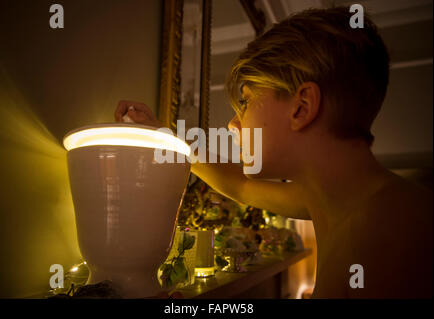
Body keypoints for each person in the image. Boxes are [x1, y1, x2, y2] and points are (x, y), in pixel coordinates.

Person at [114, 7, 432, 298]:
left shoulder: (392, 231)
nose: (234, 123)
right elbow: (238, 184)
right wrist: (162, 133)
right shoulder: (332, 200)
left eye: (247, 101)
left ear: (302, 108)